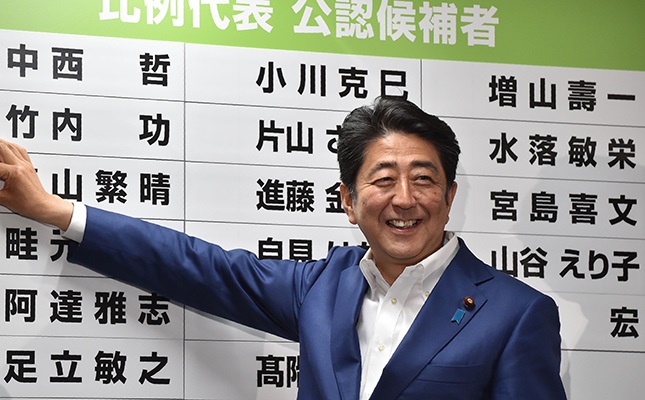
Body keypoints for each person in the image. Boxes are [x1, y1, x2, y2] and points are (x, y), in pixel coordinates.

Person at [0, 97, 567, 399]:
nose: (404, 198)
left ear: (449, 196)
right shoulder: (321, 288)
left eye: (423, 179)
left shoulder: (516, 314)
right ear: (349, 201)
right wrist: (55, 211)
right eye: (383, 179)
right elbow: (197, 268)